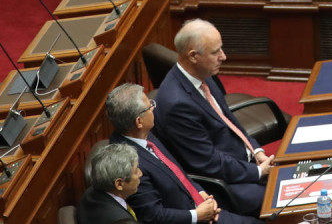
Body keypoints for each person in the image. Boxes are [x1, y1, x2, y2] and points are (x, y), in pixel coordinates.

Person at [153, 21, 273, 217]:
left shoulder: (203, 75)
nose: (223, 57)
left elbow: (229, 120)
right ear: (193, 56)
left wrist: (256, 150)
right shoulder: (177, 104)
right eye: (215, 52)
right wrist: (258, 172)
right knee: (285, 196)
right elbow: (208, 162)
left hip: (243, 163)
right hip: (226, 183)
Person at [105, 82, 247, 224]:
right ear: (139, 121)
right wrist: (197, 215)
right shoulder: (130, 165)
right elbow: (153, 216)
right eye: (150, 106)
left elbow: (175, 170)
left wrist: (200, 193)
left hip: (200, 202)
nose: (154, 108)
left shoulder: (141, 133)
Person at [78, 141, 143, 224]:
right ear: (119, 184)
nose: (140, 173)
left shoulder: (90, 192)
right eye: (135, 171)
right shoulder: (120, 220)